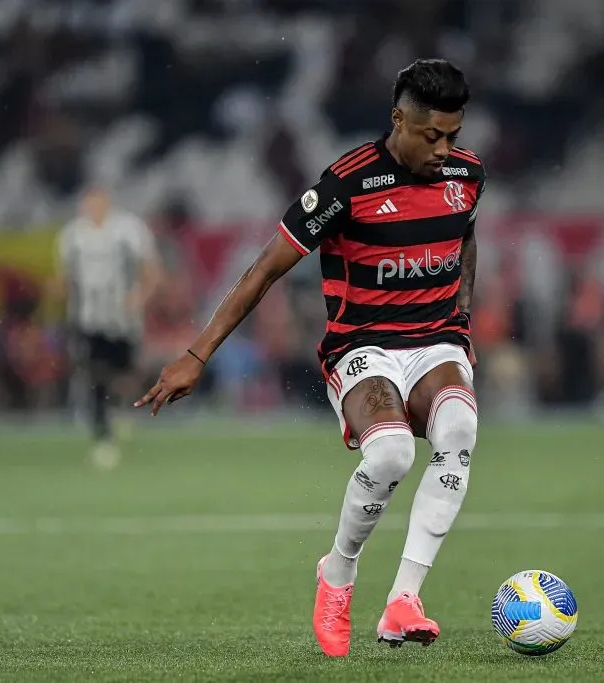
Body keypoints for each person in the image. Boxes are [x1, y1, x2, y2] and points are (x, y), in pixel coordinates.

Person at [137, 58, 484, 656]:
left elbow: (465, 236)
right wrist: (197, 354)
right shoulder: (345, 185)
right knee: (395, 452)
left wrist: (462, 319)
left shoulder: (468, 176)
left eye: (453, 135)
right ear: (399, 119)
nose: (444, 148)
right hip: (362, 346)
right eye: (432, 136)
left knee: (460, 425)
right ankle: (339, 573)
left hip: (434, 338)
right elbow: (264, 270)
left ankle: (404, 600)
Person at [55, 184, 161, 469]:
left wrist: (140, 297)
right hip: (88, 318)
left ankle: (118, 409)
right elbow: (66, 278)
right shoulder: (72, 236)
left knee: (123, 373)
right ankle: (103, 434)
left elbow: (151, 269)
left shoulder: (128, 230)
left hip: (123, 317)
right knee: (94, 372)